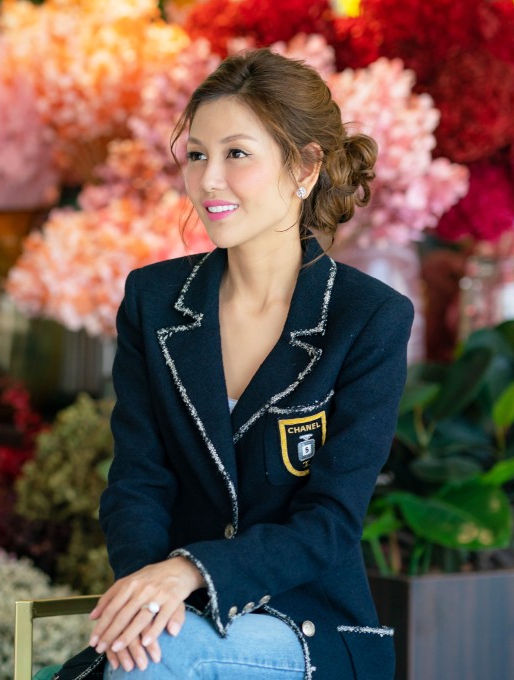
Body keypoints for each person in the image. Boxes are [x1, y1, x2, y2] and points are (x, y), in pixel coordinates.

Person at [78, 48, 413, 680]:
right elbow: (137, 484)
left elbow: (330, 524)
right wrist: (149, 595)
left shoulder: (368, 318)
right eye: (197, 153)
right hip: (180, 616)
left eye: (237, 154)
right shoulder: (152, 302)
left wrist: (190, 572)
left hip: (312, 623)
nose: (208, 181)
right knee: (149, 658)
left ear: (305, 167)